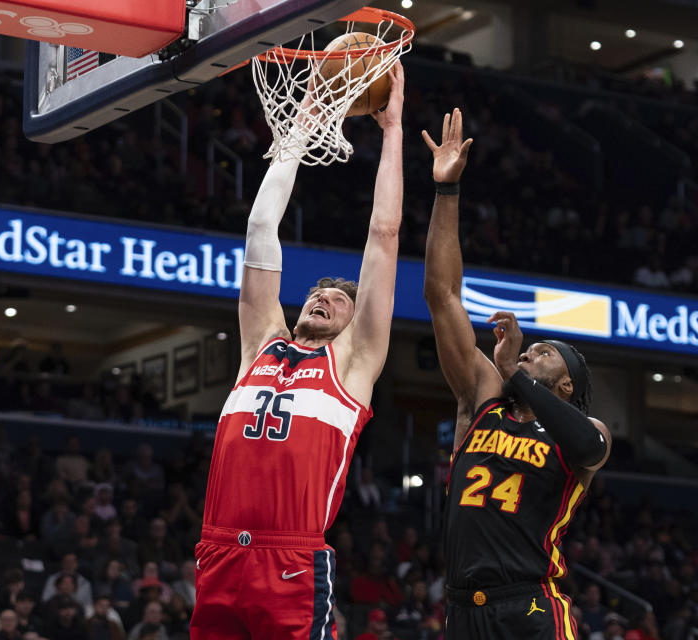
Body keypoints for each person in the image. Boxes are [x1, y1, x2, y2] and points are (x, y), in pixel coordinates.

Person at [190, 62, 405, 640]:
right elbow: (262, 228)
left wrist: (392, 133)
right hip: (217, 552)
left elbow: (383, 239)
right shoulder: (263, 341)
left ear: (353, 324)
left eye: (338, 300)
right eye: (319, 293)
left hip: (290, 562)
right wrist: (303, 123)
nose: (325, 300)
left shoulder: (352, 364)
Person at [422, 108, 612, 639]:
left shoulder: (585, 434)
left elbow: (590, 448)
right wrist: (446, 192)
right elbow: (442, 296)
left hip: (529, 607)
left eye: (545, 353)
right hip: (461, 610)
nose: (531, 353)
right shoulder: (485, 397)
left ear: (567, 384)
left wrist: (516, 373)